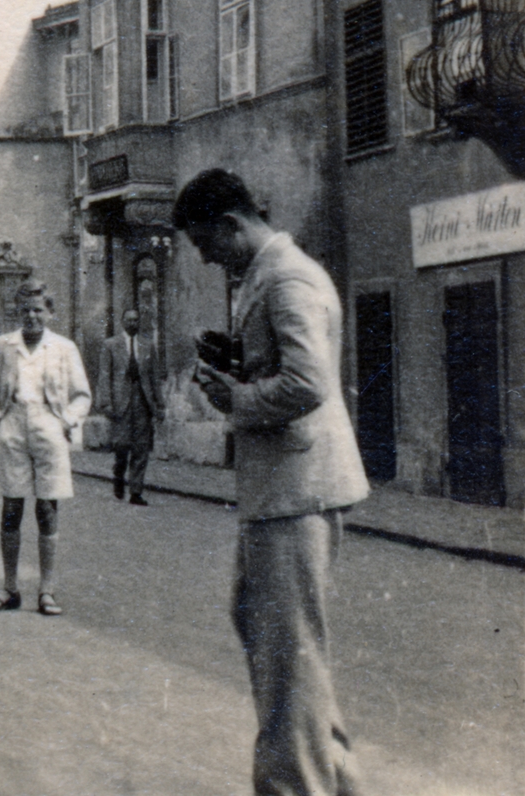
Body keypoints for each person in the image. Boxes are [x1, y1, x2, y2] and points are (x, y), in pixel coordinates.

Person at [174, 168, 369, 796]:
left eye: (207, 245)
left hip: (296, 484)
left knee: (288, 653)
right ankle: (336, 775)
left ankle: (295, 785)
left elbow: (310, 383)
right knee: (271, 633)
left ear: (233, 224)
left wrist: (239, 398)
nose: (206, 260)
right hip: (284, 485)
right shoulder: (266, 275)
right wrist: (236, 373)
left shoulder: (286, 279)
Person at [0, 281, 91, 616]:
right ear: (17, 311)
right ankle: (10, 588)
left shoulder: (63, 348)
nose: (31, 316)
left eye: (38, 309)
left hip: (49, 426)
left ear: (49, 312)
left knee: (47, 507)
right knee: (12, 505)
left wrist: (66, 421)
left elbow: (82, 394)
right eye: (25, 309)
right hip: (14, 424)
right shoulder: (3, 345)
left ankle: (47, 590)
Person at [98, 307, 162, 504]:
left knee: (141, 447)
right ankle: (119, 474)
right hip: (121, 402)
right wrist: (106, 402)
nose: (133, 323)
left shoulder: (148, 345)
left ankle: (136, 491)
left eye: (136, 320)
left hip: (142, 401)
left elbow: (154, 377)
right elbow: (105, 375)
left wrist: (159, 404)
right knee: (122, 445)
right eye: (129, 320)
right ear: (122, 322)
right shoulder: (111, 345)